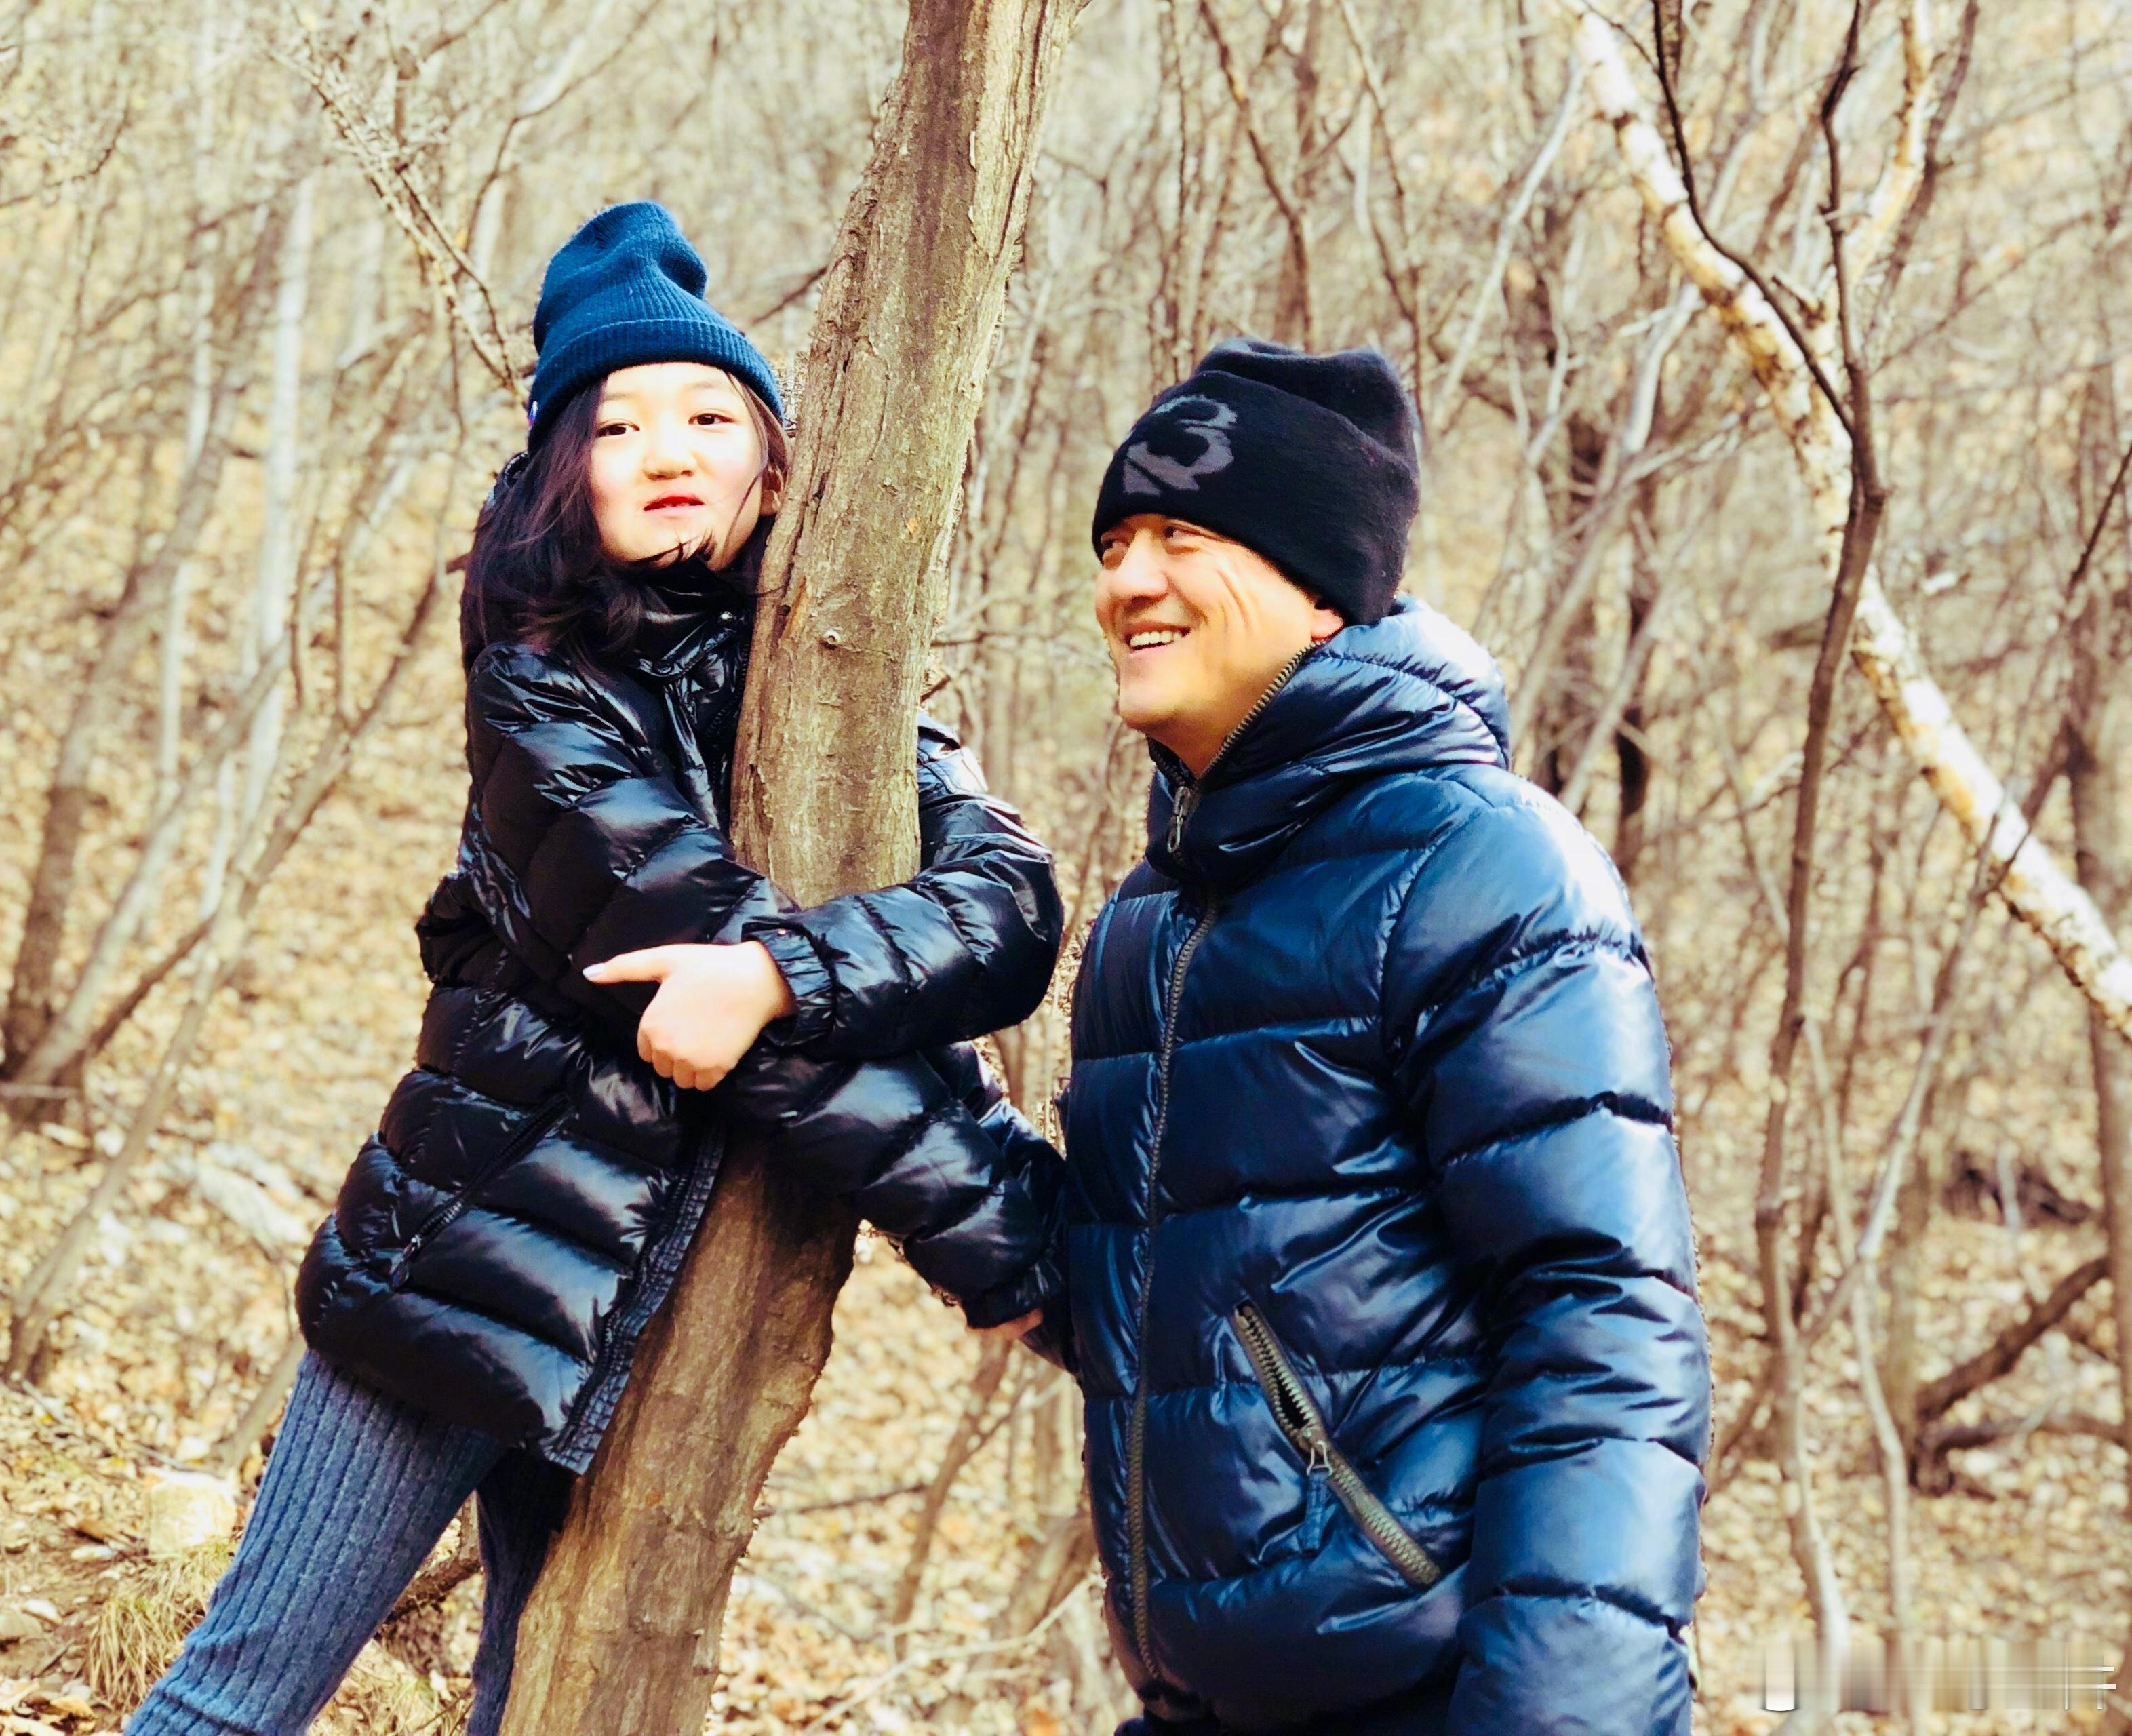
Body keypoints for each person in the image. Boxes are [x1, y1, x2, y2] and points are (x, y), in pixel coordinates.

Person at [124, 201, 1065, 1736]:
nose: (666, 448)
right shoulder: (543, 695)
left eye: (709, 414)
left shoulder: (845, 699)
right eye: (617, 424)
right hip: (461, 1272)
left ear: (778, 465)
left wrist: (786, 971)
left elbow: (1012, 907)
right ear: (564, 475)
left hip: (649, 1319)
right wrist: (1023, 1250)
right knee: (240, 1700)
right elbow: (728, 992)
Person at [1011, 338, 1711, 1734]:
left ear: (1324, 589)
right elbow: (1125, 1296)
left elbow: (1601, 1320)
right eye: (1114, 543)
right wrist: (826, 1039)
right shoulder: (1155, 916)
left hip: (1433, 1698)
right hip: (1208, 1700)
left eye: (1182, 537)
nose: (1127, 581)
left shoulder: (1485, 866)